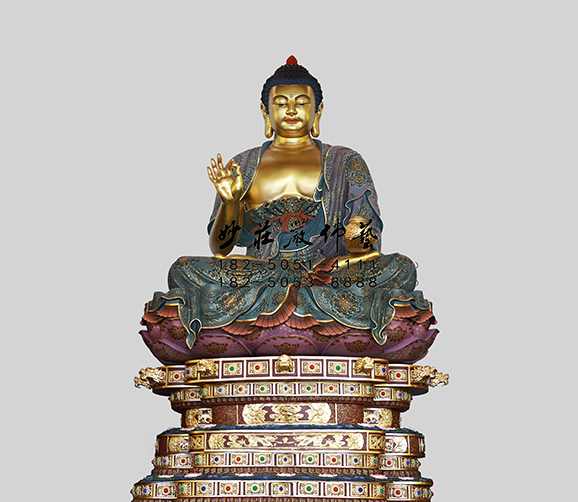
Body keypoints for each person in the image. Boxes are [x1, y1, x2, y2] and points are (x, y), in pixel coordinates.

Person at [144, 57, 434, 352]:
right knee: (183, 270)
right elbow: (221, 247)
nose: (292, 110)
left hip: (325, 273)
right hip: (261, 272)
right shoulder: (242, 165)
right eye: (281, 103)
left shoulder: (345, 161)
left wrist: (358, 234)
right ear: (265, 111)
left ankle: (253, 319)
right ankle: (324, 318)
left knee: (400, 268)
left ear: (318, 110)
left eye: (302, 103)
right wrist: (231, 203)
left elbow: (368, 243)